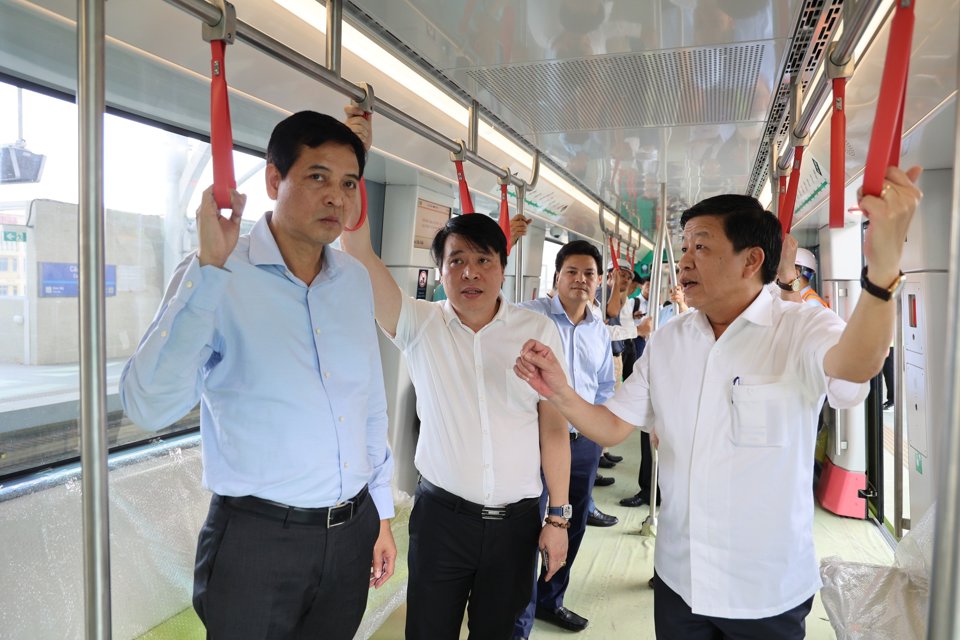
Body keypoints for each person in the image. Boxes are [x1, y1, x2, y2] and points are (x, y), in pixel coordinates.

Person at [513, 166, 922, 639]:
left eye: (701, 247)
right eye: (684, 247)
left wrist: (884, 269)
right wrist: (560, 390)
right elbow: (609, 426)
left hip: (766, 590)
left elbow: (856, 364)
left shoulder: (800, 327)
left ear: (751, 260)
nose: (685, 261)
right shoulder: (669, 343)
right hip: (680, 581)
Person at [119, 111, 397, 639]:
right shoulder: (220, 271)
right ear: (274, 180)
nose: (336, 197)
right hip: (257, 539)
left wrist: (380, 512)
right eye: (317, 177)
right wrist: (208, 271)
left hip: (351, 533)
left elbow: (370, 405)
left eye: (348, 183)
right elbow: (146, 404)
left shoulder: (353, 283)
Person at [340, 105, 571, 640]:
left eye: (484, 260)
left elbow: (553, 427)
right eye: (456, 261)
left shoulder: (534, 333)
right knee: (428, 632)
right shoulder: (419, 324)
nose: (470, 272)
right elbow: (357, 250)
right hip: (442, 520)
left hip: (517, 523)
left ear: (502, 266)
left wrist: (557, 518)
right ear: (439, 272)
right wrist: (356, 158)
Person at [513, 240, 615, 638]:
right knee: (529, 527)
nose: (580, 280)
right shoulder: (529, 316)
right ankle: (518, 617)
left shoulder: (598, 331)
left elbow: (604, 385)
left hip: (584, 444)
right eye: (572, 271)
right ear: (556, 277)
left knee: (571, 524)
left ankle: (550, 600)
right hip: (535, 441)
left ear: (599, 282)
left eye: (589, 274)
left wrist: (598, 436)